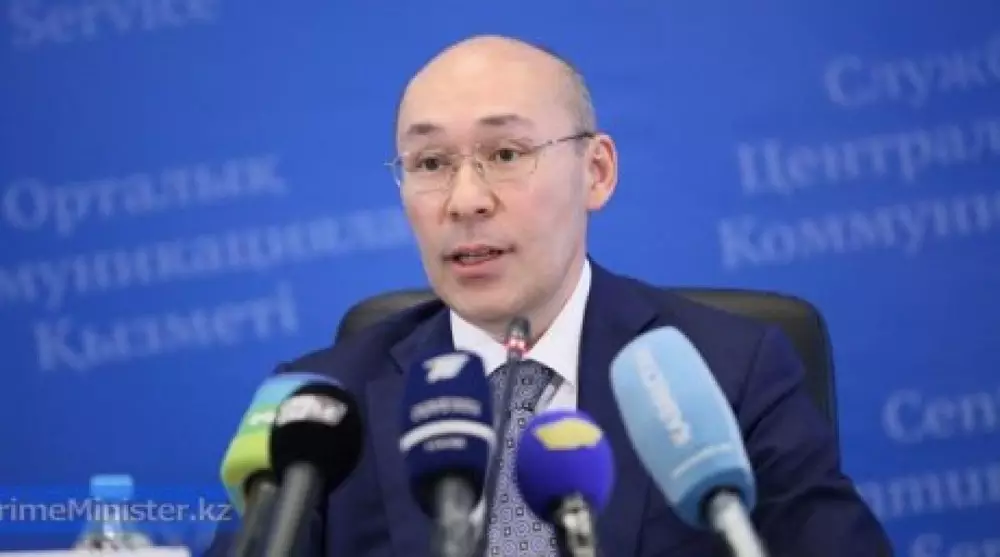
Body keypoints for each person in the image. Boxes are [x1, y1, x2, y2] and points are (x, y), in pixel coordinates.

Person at [211, 34, 893, 556]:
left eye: (505, 154)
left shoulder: (729, 372)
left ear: (596, 172)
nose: (465, 200)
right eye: (430, 163)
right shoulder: (322, 409)